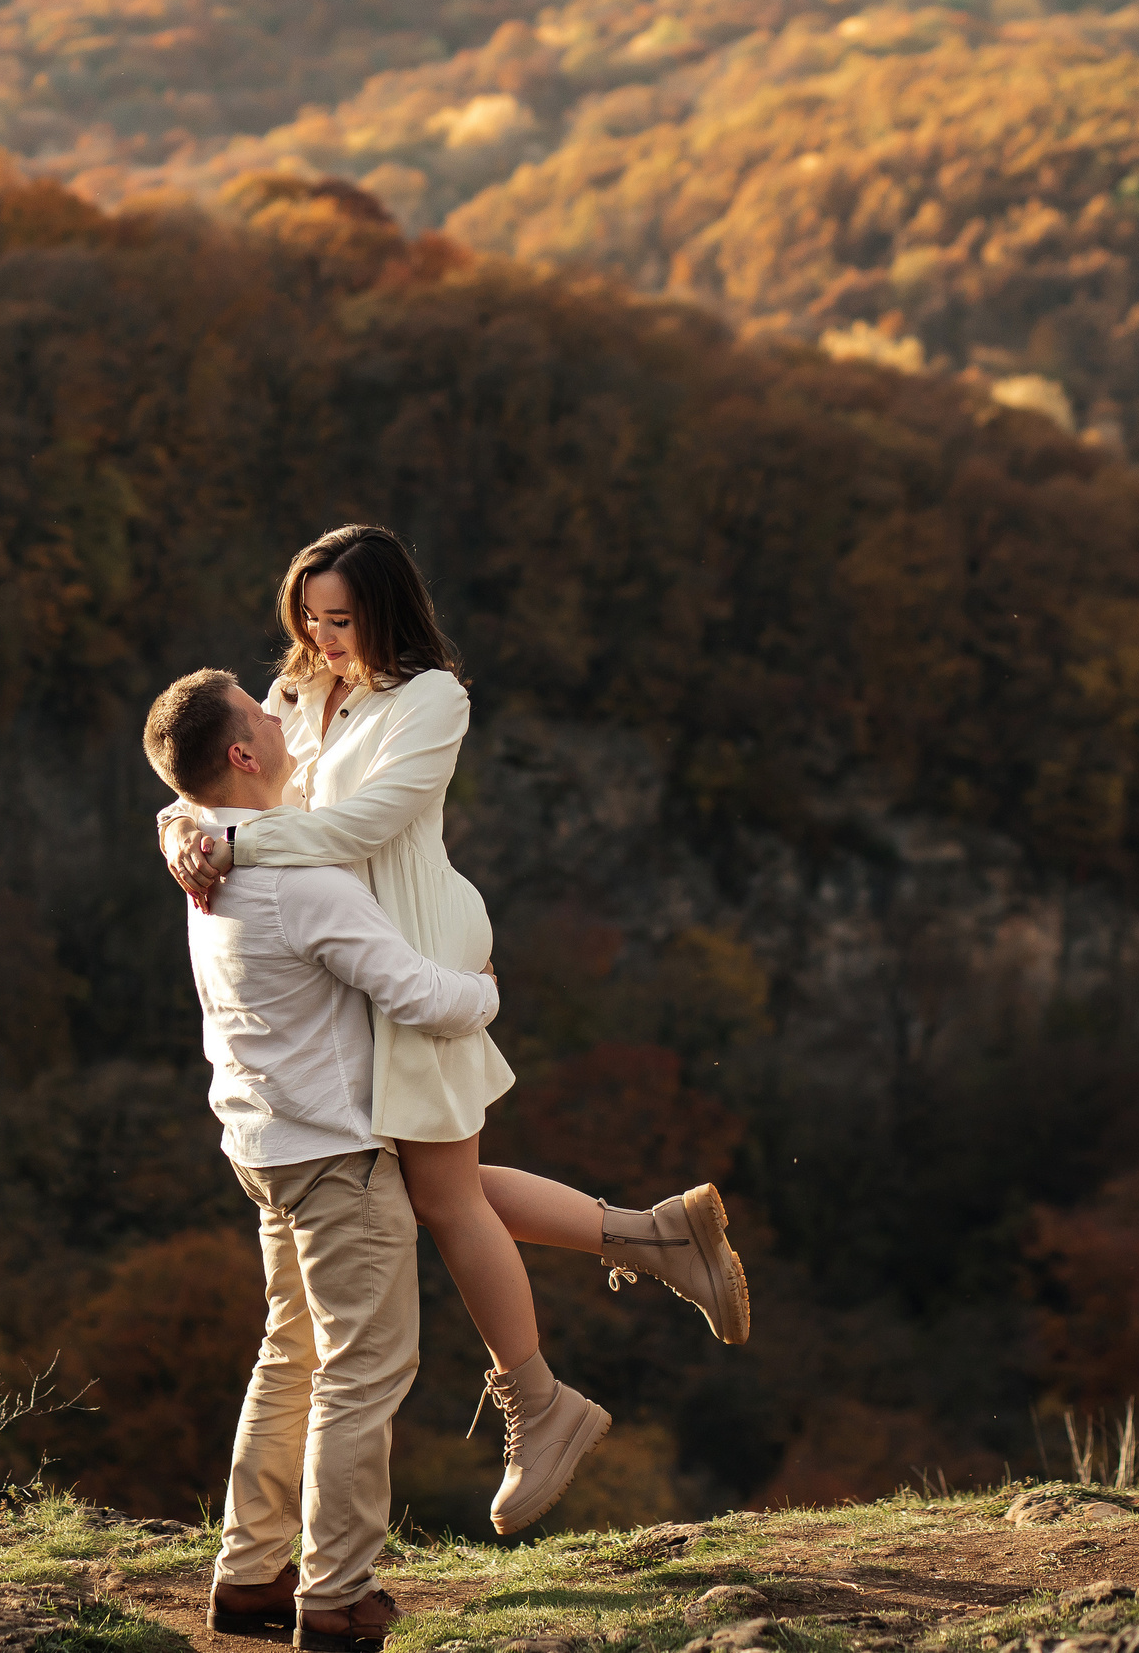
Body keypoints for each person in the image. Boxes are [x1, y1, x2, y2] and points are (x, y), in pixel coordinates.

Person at [158, 525, 750, 1536]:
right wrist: (180, 825)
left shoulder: (432, 702)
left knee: (436, 1194)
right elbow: (219, 773)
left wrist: (221, 836)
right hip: (349, 957)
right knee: (436, 1185)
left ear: (386, 609)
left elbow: (358, 828)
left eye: (341, 619)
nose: (321, 637)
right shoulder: (297, 693)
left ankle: (541, 1402)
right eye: (309, 617)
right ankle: (654, 1239)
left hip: (417, 951)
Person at [143, 668, 505, 1650]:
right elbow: (416, 996)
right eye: (265, 713)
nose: (281, 709)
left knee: (291, 1355)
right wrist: (482, 991)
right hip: (336, 1156)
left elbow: (191, 792)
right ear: (242, 756)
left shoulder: (210, 858)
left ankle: (249, 1574)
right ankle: (335, 1595)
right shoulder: (293, 881)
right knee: (364, 1366)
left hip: (263, 1146)